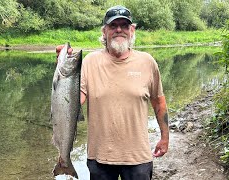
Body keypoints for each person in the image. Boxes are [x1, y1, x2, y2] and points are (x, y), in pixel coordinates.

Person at [56, 5, 169, 180]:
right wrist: (63, 72)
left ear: (132, 30)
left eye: (124, 25)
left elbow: (159, 102)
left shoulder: (147, 62)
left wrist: (164, 137)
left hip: (138, 157)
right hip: (100, 157)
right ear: (104, 31)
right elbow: (74, 102)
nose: (119, 30)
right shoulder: (89, 62)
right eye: (113, 25)